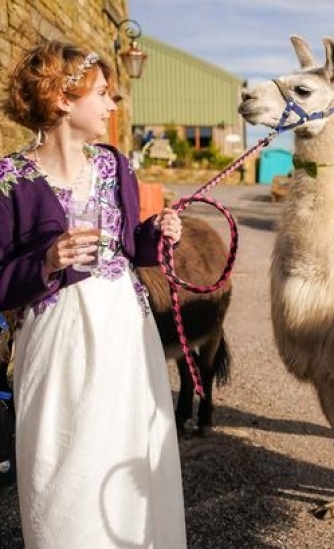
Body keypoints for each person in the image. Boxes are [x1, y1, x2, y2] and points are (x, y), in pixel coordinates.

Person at [0, 41, 186, 547]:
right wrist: (44, 262)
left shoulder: (115, 165)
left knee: (131, 448)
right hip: (56, 338)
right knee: (64, 464)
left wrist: (157, 232)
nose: (112, 105)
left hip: (126, 329)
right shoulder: (10, 180)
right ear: (63, 98)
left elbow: (130, 246)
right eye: (103, 93)